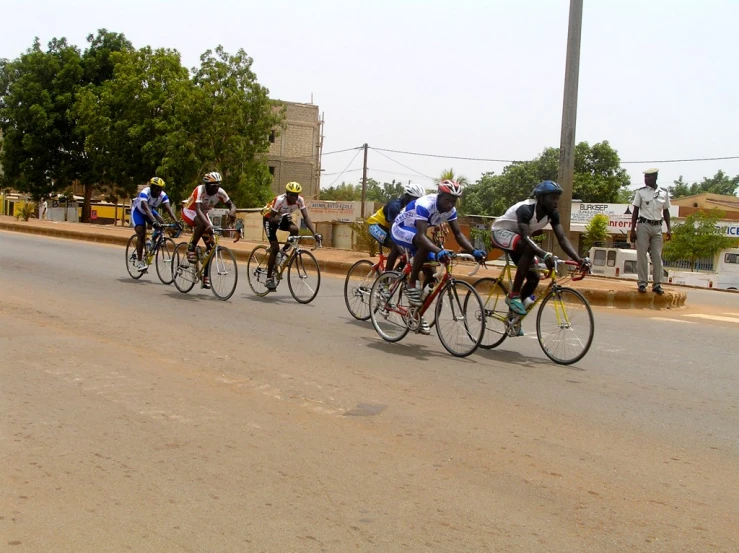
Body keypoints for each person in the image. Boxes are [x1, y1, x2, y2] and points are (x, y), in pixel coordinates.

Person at [391, 180, 486, 333]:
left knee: (431, 274)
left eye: (453, 201)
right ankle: (411, 282)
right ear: (439, 195)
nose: (450, 204)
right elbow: (422, 236)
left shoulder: (451, 210)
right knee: (425, 243)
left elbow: (458, 235)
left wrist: (474, 251)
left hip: (416, 234)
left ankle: (416, 315)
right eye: (447, 199)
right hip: (401, 229)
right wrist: (438, 251)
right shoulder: (425, 204)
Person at [491, 180, 589, 318]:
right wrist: (545, 255)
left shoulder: (553, 214)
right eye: (553, 198)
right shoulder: (525, 209)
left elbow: (562, 239)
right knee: (530, 248)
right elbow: (526, 238)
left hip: (518, 239)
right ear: (541, 198)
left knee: (534, 277)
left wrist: (578, 259)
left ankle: (512, 318)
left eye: (557, 198)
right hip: (500, 232)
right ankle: (514, 295)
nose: (556, 201)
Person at [261, 181, 322, 290]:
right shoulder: (279, 200)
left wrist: (315, 233)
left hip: (283, 219)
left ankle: (283, 252)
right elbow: (271, 219)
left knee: (294, 229)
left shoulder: (300, 201)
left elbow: (306, 218)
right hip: (270, 219)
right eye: (291, 195)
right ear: (286, 194)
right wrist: (280, 219)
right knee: (274, 248)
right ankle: (269, 279)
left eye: (296, 195)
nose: (294, 198)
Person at [182, 172, 237, 289]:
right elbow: (197, 210)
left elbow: (231, 204)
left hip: (203, 214)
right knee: (203, 225)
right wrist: (208, 226)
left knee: (211, 247)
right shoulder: (200, 190)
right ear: (206, 185)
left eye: (218, 185)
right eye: (213, 185)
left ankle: (205, 277)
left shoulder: (220, 192)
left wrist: (232, 211)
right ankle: (191, 247)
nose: (216, 188)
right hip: (190, 211)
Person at [629, 168, 672, 295]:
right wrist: (632, 229)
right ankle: (642, 283)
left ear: (655, 177)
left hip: (657, 227)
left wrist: (669, 229)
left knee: (657, 256)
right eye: (645, 177)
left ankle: (657, 284)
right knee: (641, 254)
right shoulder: (641, 192)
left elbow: (666, 211)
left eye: (648, 177)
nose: (645, 179)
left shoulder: (664, 193)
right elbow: (635, 211)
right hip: (643, 225)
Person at [366, 183, 426, 271]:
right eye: (415, 200)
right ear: (407, 196)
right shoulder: (395, 206)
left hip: (388, 227)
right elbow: (393, 229)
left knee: (408, 252)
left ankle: (396, 276)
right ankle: (385, 281)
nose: (417, 203)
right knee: (396, 246)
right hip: (375, 225)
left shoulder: (412, 208)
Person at [131, 177, 179, 273]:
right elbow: (146, 209)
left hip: (150, 211)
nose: (158, 192)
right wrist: (153, 221)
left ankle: (151, 241)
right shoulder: (145, 193)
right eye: (157, 189)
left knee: (161, 222)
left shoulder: (163, 195)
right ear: (151, 187)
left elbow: (169, 209)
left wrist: (177, 222)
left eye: (160, 189)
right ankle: (140, 262)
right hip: (138, 212)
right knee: (141, 233)